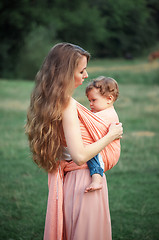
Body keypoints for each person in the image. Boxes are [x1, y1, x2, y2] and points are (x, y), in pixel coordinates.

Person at [25, 43, 123, 240]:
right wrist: (111, 136)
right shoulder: (67, 104)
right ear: (66, 72)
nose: (86, 75)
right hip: (85, 179)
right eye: (81, 70)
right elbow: (80, 156)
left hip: (72, 181)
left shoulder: (52, 101)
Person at [85, 76, 120, 192]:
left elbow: (87, 121)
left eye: (94, 100)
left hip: (107, 153)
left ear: (109, 99)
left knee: (92, 155)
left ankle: (96, 180)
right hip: (103, 147)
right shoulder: (98, 112)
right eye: (89, 100)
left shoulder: (108, 113)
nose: (90, 104)